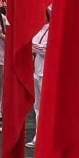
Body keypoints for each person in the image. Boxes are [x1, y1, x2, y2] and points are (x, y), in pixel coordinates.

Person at [26, 9, 50, 148]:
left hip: (45, 72)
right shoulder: (36, 30)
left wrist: (32, 46)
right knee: (37, 106)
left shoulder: (50, 30)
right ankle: (38, 135)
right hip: (35, 71)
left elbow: (47, 50)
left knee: (45, 106)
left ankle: (45, 136)